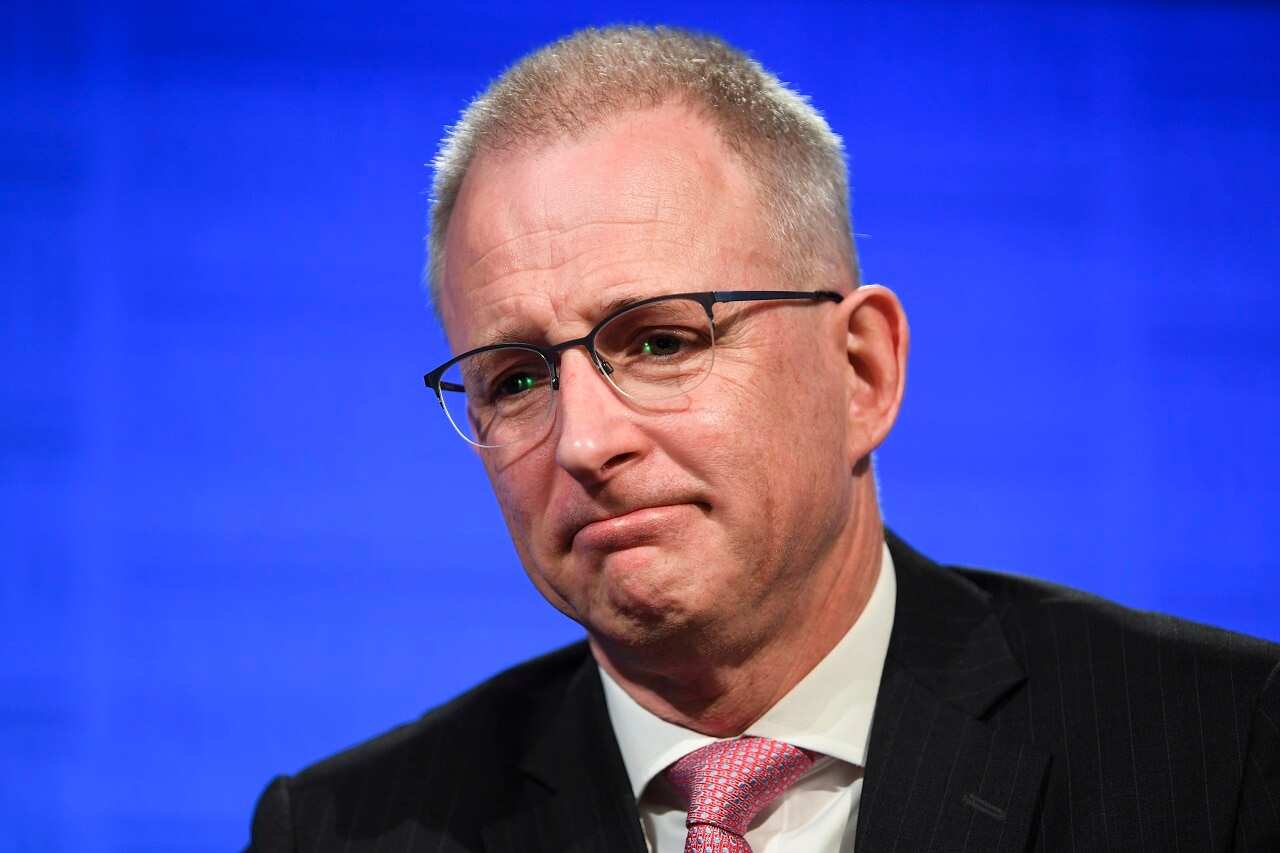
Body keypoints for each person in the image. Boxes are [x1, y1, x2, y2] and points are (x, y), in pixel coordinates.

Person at [248, 25, 1280, 853]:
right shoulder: (343, 829)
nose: (583, 443)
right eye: (515, 379)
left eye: (659, 341)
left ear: (860, 371)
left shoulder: (1218, 748)